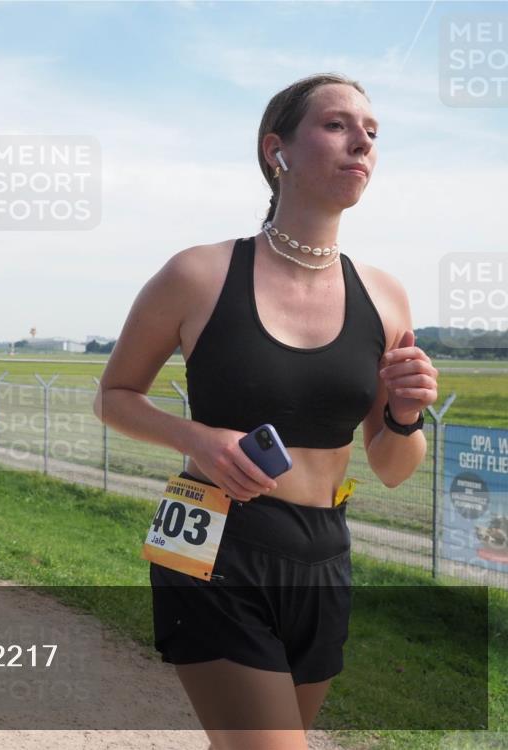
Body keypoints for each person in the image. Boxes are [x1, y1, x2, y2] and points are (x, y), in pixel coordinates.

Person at [94, 73, 439, 750]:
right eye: (337, 125)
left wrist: (403, 414)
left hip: (323, 553)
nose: (361, 141)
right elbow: (113, 396)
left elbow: (394, 468)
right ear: (275, 150)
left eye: (371, 131)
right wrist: (199, 438)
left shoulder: (387, 297)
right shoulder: (198, 274)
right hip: (211, 538)